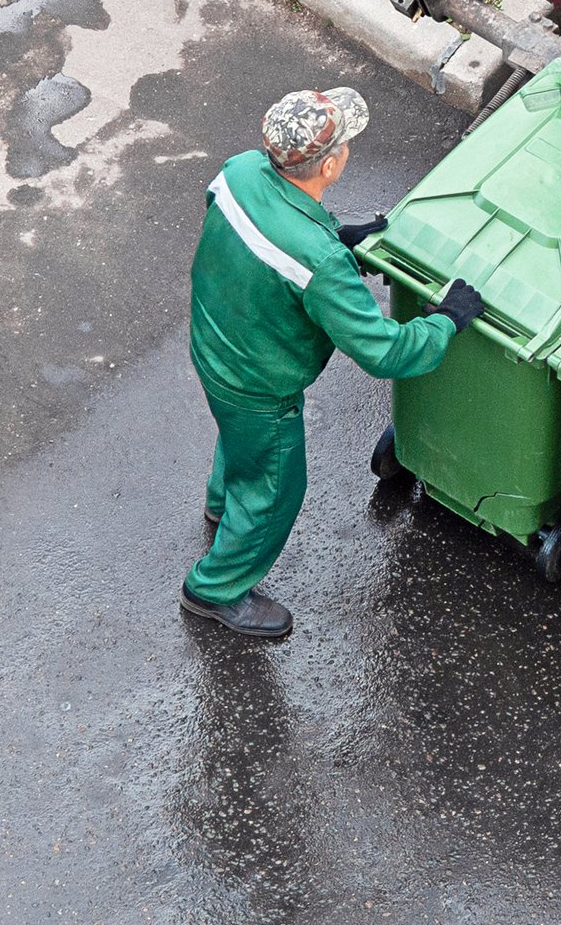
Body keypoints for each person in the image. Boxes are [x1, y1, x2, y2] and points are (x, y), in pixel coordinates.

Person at [182, 87, 484, 639]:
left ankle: (221, 506)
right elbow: (386, 351)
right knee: (274, 489)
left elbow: (259, 241)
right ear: (327, 163)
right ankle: (215, 589)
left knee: (241, 442)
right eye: (344, 143)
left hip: (214, 342)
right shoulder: (318, 264)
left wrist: (336, 239)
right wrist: (448, 320)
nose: (348, 149)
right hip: (259, 382)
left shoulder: (240, 170)